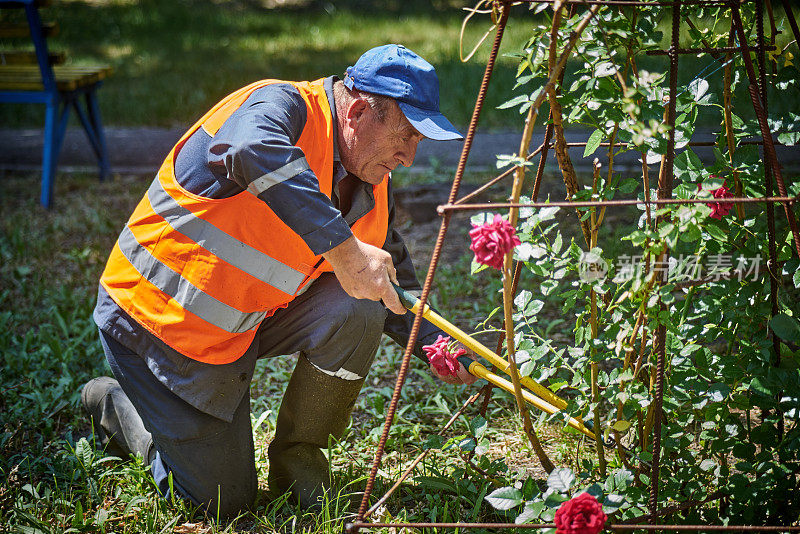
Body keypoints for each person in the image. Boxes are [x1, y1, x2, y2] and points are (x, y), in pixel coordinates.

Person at [82, 44, 476, 518]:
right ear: (356, 111)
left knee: (359, 306)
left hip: (239, 323)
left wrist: (445, 348)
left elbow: (390, 281)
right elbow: (250, 148)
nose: (409, 157)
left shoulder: (368, 171)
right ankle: (114, 404)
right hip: (158, 328)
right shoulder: (280, 106)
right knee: (220, 504)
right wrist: (345, 254)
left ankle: (300, 464)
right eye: (406, 136)